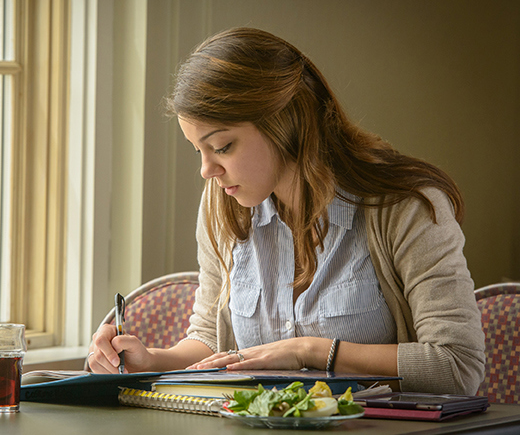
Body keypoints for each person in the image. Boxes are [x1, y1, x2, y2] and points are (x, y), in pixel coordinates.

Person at [87, 27, 485, 395]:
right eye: (199, 150)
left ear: (285, 122)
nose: (207, 170)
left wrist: (310, 351)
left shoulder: (406, 207)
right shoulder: (222, 203)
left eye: (222, 146)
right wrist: (151, 361)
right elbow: (211, 340)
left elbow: (457, 366)